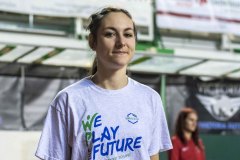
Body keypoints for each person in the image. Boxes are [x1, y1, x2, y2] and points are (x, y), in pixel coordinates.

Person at [35, 6, 172, 160]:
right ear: (92, 41)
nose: (121, 42)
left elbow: (152, 156)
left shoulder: (150, 98)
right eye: (110, 34)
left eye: (128, 34)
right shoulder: (69, 100)